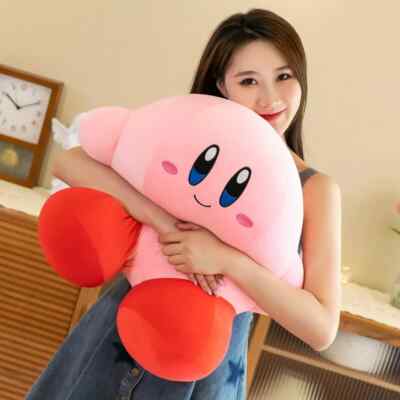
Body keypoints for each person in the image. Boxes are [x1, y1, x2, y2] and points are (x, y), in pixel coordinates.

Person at [26, 8, 341, 400]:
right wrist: (160, 219)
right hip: (119, 331)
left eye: (284, 76)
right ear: (221, 86)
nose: (270, 98)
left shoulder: (313, 189)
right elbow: (69, 162)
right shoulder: (187, 140)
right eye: (248, 81)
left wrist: (225, 259)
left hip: (207, 359)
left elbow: (321, 327)